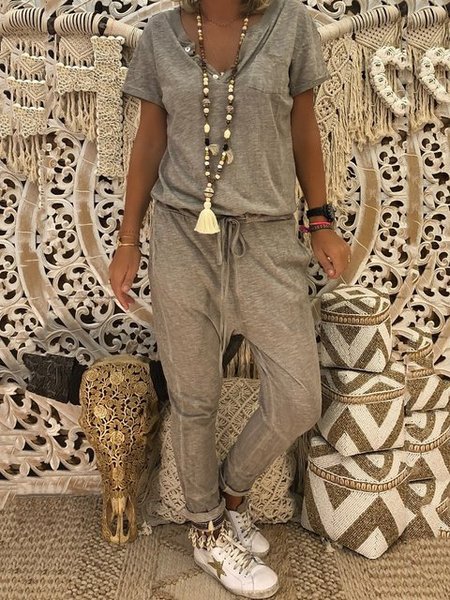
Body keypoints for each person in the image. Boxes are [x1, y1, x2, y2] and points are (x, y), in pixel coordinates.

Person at [111, 0, 351, 597]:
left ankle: (231, 493)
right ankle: (207, 527)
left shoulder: (291, 25)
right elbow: (149, 140)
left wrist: (320, 220)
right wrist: (127, 239)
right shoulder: (161, 34)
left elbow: (304, 128)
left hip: (267, 237)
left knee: (298, 396)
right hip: (182, 237)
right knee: (195, 398)